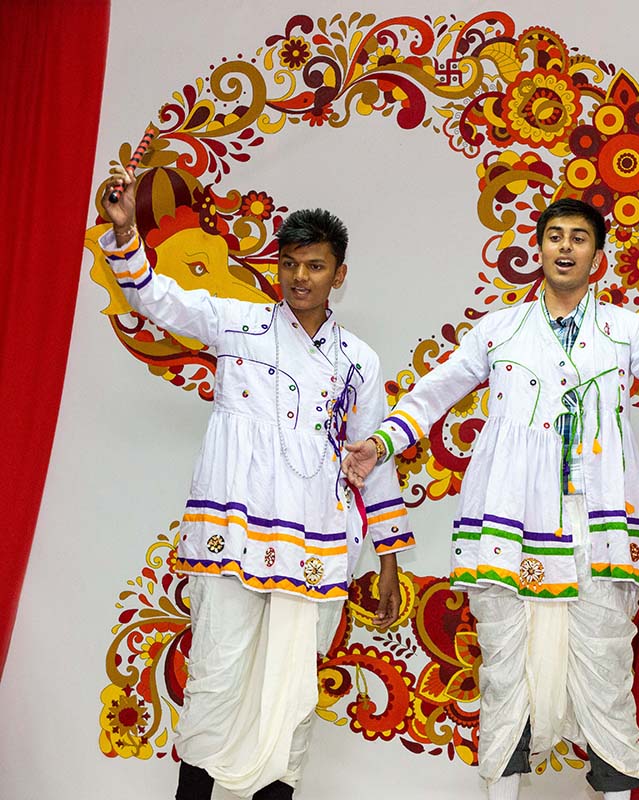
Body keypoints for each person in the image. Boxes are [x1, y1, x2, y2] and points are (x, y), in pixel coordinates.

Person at [341, 197, 639, 800]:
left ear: (598, 256)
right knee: (505, 670)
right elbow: (434, 390)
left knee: (605, 672)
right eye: (554, 236)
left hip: (597, 523)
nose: (565, 247)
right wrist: (384, 442)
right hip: (510, 522)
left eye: (578, 237)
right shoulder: (499, 329)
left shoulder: (625, 329)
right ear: (538, 249)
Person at [100, 168, 410, 800]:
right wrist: (127, 231)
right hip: (234, 534)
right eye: (291, 264)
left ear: (339, 274)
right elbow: (156, 296)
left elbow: (369, 459)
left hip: (317, 540)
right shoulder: (236, 323)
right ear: (277, 268)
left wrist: (389, 559)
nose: (301, 277)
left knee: (291, 687)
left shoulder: (359, 361)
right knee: (216, 671)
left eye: (316, 266)